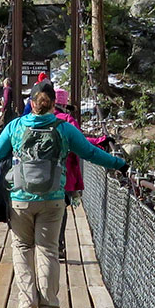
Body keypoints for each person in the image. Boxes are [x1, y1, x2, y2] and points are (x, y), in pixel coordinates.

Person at [0, 79, 127, 308]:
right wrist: (119, 164)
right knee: (48, 251)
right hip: (53, 199)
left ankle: (26, 300)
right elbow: (91, 152)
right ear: (54, 104)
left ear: (31, 104)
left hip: (20, 199)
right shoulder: (64, 128)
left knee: (22, 248)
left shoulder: (15, 126)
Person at [52, 88, 110, 259]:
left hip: (38, 174)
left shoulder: (37, 119)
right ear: (64, 103)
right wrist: (101, 141)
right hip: (64, 175)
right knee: (60, 209)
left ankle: (43, 246)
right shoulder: (67, 120)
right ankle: (58, 245)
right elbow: (80, 143)